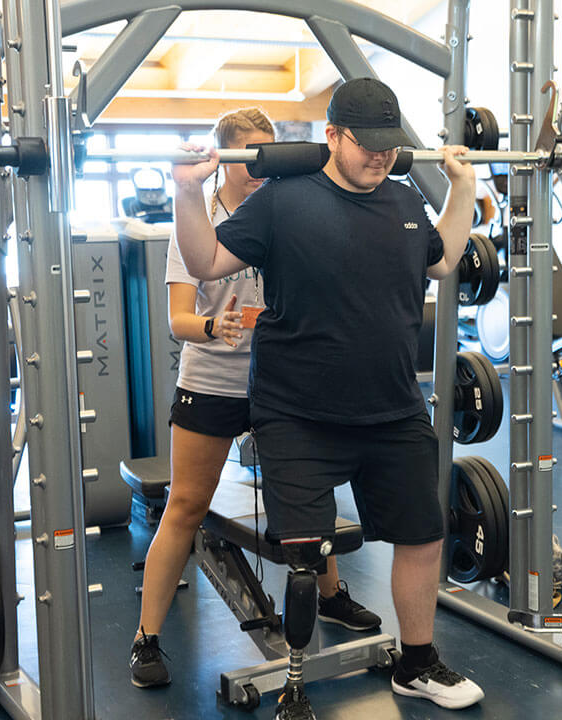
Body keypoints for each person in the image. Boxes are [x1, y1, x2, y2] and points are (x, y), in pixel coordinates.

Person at [172, 77, 482, 718]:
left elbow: (444, 260)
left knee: (424, 535)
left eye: (389, 147)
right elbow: (203, 261)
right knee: (307, 556)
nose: (380, 157)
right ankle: (293, 684)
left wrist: (462, 190)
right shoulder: (283, 201)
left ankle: (417, 663)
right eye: (365, 145)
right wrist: (187, 190)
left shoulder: (401, 199)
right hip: (298, 414)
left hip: (393, 409)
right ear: (332, 136)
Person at [129, 107, 381, 689]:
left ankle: (332, 594)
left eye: (269, 155)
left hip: (282, 380)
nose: (262, 167)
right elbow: (177, 321)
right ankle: (146, 638)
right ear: (225, 159)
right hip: (212, 381)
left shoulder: (286, 212)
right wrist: (217, 328)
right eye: (251, 157)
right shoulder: (197, 221)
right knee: (187, 505)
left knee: (310, 493)